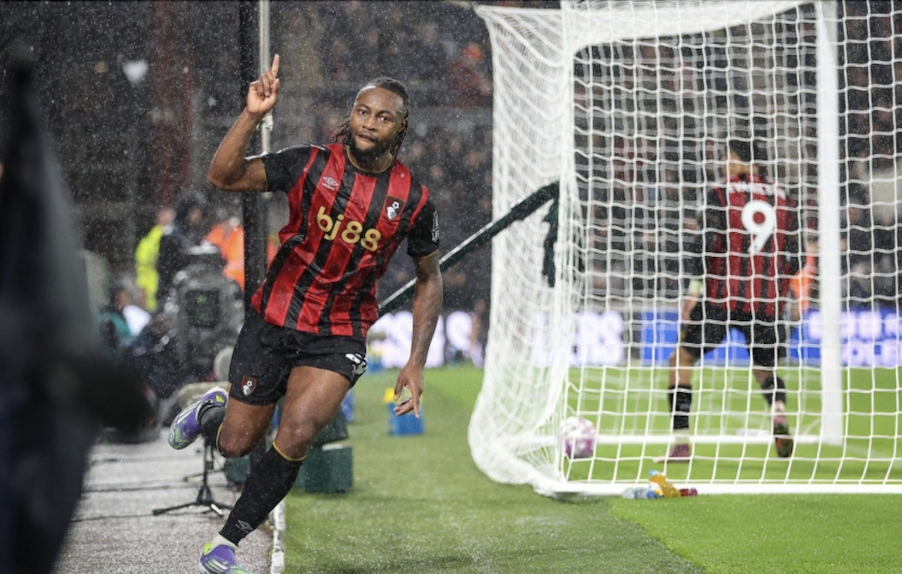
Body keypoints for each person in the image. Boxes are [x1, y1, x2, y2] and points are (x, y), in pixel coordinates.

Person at [167, 55, 443, 574]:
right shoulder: (310, 163)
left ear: (401, 127)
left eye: (383, 117)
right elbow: (223, 176)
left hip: (339, 332)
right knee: (235, 444)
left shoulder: (413, 200)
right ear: (351, 114)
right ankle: (214, 410)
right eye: (362, 111)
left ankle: (226, 541)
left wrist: (415, 361)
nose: (369, 123)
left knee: (296, 435)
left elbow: (429, 278)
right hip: (274, 318)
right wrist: (252, 115)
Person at [658, 140, 801, 463]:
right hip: (766, 302)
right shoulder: (784, 197)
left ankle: (681, 443)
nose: (725, 163)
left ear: (744, 161)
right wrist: (777, 285)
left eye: (730, 157)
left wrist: (695, 290)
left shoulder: (720, 192)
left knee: (680, 360)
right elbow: (797, 257)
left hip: (721, 297)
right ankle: (778, 410)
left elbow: (706, 244)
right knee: (764, 369)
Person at [157, 189, 208, 300]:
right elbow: (166, 268)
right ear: (186, 211)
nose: (198, 215)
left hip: (189, 288)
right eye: (195, 211)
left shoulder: (193, 233)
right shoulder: (172, 235)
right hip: (174, 290)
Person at [134, 206, 175, 312]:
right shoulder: (148, 243)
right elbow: (142, 269)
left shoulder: (177, 238)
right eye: (164, 216)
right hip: (154, 291)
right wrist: (142, 290)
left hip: (169, 289)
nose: (167, 220)